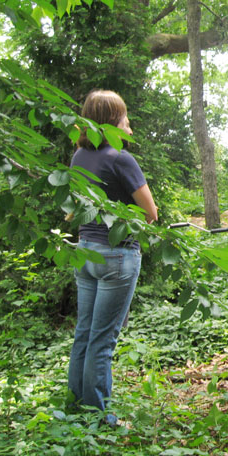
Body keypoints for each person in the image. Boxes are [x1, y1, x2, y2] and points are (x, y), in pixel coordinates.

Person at [68, 90, 158, 425]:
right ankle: (100, 417)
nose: (128, 121)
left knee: (85, 332)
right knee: (103, 340)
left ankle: (78, 404)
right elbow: (151, 213)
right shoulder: (120, 158)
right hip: (116, 256)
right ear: (112, 120)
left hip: (85, 252)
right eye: (124, 116)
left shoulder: (79, 156)